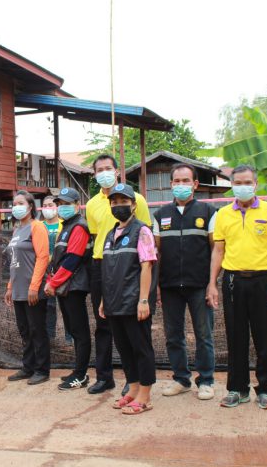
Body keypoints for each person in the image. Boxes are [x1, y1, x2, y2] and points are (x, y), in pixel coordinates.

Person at [207, 165, 267, 409]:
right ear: (232, 185)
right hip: (233, 281)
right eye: (238, 183)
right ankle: (237, 389)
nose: (243, 187)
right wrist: (212, 283)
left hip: (264, 281)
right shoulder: (223, 214)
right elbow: (218, 250)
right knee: (235, 337)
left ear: (256, 184)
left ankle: (265, 389)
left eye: (248, 182)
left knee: (265, 337)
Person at [86, 154, 151, 395]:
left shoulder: (138, 199)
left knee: (132, 326)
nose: (104, 172)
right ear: (95, 175)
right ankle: (104, 377)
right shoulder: (92, 204)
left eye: (108, 168)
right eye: (99, 169)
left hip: (130, 265)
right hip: (101, 265)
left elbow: (146, 235)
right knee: (103, 323)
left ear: (117, 171)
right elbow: (97, 235)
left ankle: (133, 380)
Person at [153, 163, 217, 400]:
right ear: (171, 184)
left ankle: (206, 380)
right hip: (170, 286)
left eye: (185, 181)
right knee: (173, 336)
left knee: (204, 335)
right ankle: (181, 379)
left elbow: (216, 250)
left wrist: (212, 283)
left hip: (200, 285)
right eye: (177, 181)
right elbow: (156, 253)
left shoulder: (208, 212)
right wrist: (157, 286)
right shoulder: (160, 214)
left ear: (195, 184)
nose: (181, 185)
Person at [99, 184, 157, 415]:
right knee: (124, 348)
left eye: (123, 201)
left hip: (134, 302)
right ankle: (132, 389)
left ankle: (145, 395)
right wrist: (104, 300)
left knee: (141, 348)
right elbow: (108, 270)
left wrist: (143, 300)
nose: (118, 206)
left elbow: (146, 267)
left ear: (133, 205)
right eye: (114, 202)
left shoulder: (142, 231)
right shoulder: (109, 234)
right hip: (113, 302)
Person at [44, 188, 92, 390]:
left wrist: (53, 283)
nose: (62, 207)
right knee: (73, 329)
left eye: (66, 204)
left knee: (79, 331)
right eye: (60, 204)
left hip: (74, 286)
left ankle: (81, 375)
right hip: (65, 286)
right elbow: (58, 259)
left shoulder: (79, 226)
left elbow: (72, 260)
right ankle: (77, 370)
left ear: (77, 205)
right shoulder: (66, 226)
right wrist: (53, 279)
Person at [5, 191, 51, 385]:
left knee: (37, 330)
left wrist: (34, 286)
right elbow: (13, 261)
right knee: (24, 330)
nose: (16, 207)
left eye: (20, 203)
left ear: (30, 206)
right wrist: (10, 287)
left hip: (33, 289)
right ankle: (28, 367)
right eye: (14, 203)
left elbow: (43, 257)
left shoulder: (37, 226)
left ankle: (42, 370)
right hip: (18, 289)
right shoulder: (16, 230)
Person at [42, 195, 71, 343]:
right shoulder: (39, 226)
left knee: (67, 304)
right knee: (49, 305)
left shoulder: (64, 225)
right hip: (44, 270)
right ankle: (50, 337)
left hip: (62, 268)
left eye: (51, 205)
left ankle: (70, 338)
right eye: (45, 205)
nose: (48, 208)